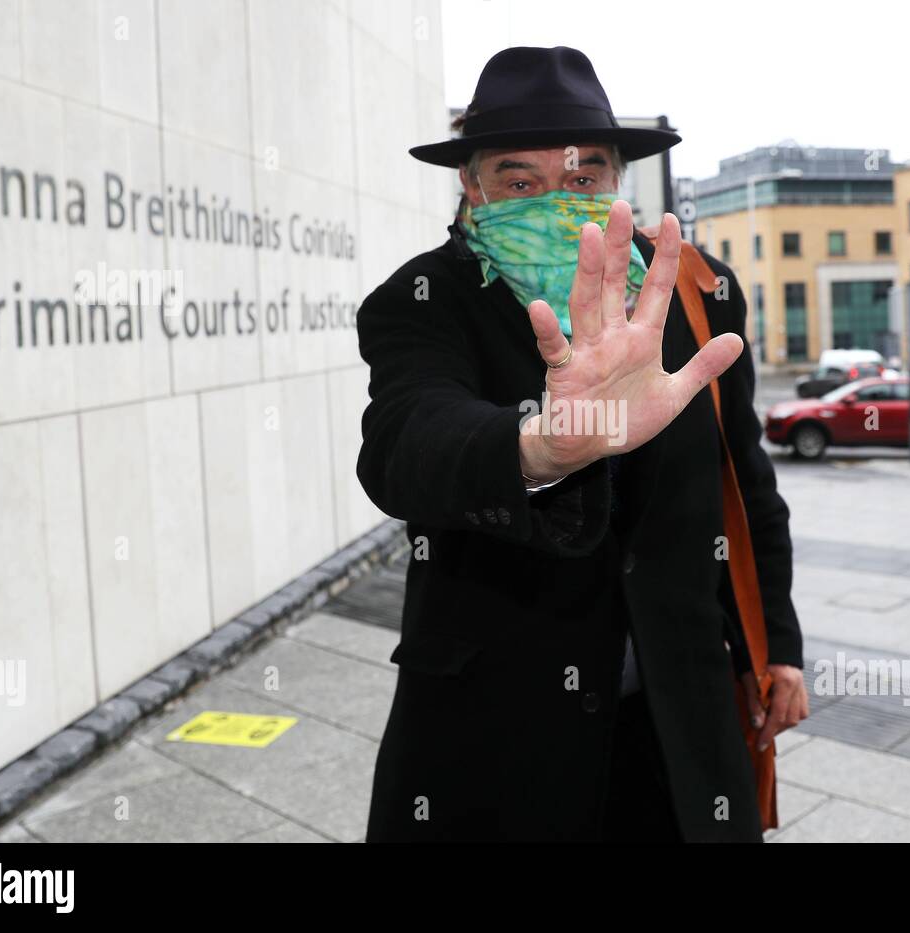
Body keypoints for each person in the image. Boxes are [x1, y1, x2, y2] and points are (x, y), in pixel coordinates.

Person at [356, 45, 808, 843]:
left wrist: (778, 646)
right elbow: (404, 440)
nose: (556, 201)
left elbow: (748, 480)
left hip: (682, 722)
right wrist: (540, 449)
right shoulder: (422, 300)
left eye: (582, 178)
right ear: (472, 184)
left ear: (616, 180)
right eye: (520, 181)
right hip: (496, 743)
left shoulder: (697, 295)